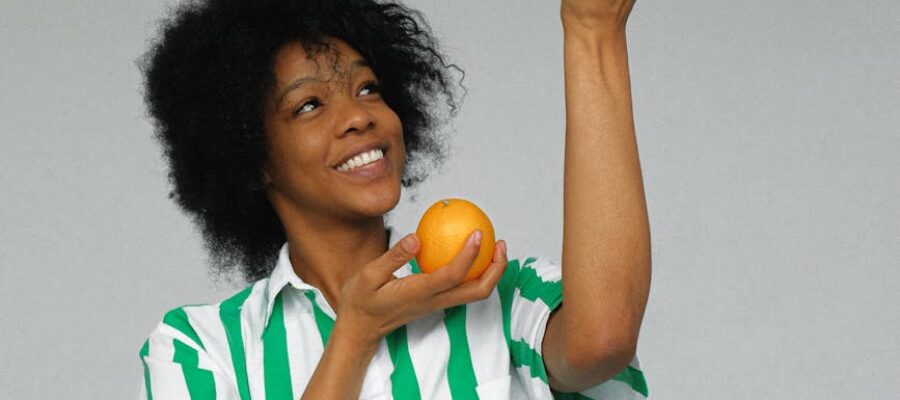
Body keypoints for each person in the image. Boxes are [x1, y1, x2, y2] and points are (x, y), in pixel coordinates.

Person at [137, 0, 651, 398]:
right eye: (309, 104)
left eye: (368, 88)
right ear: (253, 159)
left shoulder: (497, 294)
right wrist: (356, 332)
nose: (360, 116)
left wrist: (592, 30)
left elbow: (601, 341)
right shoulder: (199, 349)